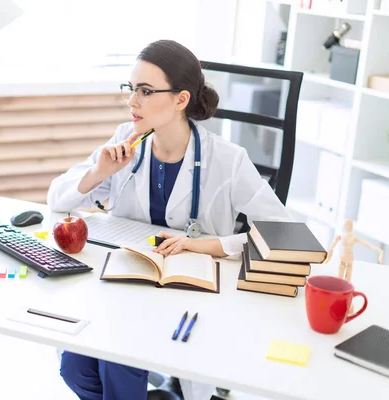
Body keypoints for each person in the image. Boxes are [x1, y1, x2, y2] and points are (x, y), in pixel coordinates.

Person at [47, 39, 292, 400]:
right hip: (127, 284)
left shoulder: (227, 160)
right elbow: (57, 199)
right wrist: (99, 172)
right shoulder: (125, 141)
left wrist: (210, 244)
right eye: (131, 89)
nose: (132, 102)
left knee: (119, 358)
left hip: (190, 294)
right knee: (76, 368)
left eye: (146, 91)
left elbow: (285, 235)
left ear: (181, 99)